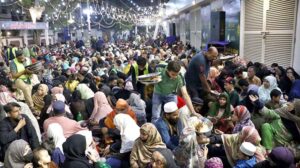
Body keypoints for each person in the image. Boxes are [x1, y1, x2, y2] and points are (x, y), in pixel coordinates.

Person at [198, 126, 266, 167]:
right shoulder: (240, 137)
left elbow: (262, 164)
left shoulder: (256, 151)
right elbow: (225, 137)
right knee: (211, 149)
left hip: (235, 163)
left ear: (247, 137)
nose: (239, 134)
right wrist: (208, 139)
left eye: (242, 133)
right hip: (233, 155)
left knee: (214, 161)